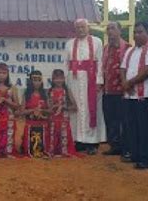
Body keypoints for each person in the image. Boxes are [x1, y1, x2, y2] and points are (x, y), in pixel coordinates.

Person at [120, 22, 148, 169]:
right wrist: (125, 83)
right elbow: (123, 68)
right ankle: (136, 154)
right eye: (135, 33)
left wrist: (129, 83)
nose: (137, 35)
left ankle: (147, 158)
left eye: (140, 32)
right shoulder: (130, 50)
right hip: (129, 95)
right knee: (132, 127)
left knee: (146, 128)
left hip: (146, 96)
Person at [66, 18, 106, 155]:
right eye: (78, 27)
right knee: (76, 109)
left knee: (91, 109)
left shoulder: (97, 42)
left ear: (88, 28)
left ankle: (92, 142)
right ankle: (78, 140)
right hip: (75, 80)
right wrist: (67, 84)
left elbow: (100, 62)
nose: (80, 29)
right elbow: (66, 64)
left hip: (91, 80)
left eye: (83, 27)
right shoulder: (69, 44)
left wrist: (100, 80)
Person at [101, 22, 129, 156]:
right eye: (108, 29)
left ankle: (125, 147)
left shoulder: (128, 48)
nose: (110, 31)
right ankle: (114, 146)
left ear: (120, 31)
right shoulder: (106, 48)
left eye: (113, 28)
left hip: (122, 91)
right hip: (107, 90)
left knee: (123, 120)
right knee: (110, 119)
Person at [47, 69, 78, 157]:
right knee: (52, 135)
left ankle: (64, 151)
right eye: (56, 78)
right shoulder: (49, 91)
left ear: (64, 79)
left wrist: (64, 107)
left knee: (64, 136)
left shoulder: (67, 91)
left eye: (61, 78)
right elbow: (48, 107)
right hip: (53, 119)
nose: (58, 80)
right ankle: (52, 151)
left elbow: (75, 107)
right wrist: (53, 107)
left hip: (64, 119)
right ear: (52, 79)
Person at [19, 71, 50, 158]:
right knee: (29, 152)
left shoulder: (45, 94)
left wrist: (41, 111)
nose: (37, 82)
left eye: (39, 80)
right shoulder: (26, 94)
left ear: (42, 81)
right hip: (30, 126)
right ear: (30, 81)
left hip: (43, 126)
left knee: (44, 151)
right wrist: (33, 110)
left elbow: (50, 111)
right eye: (34, 80)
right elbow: (22, 112)